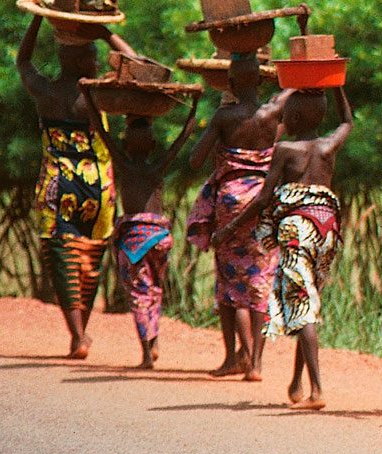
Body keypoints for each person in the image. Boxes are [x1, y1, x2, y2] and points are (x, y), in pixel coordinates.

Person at [214, 88, 354, 410]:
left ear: (297, 118)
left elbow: (263, 199)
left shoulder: (286, 150)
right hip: (325, 232)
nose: (282, 120)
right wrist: (336, 84)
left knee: (302, 309)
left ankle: (317, 391)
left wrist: (230, 228)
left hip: (296, 231)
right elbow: (347, 120)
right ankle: (297, 383)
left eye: (286, 115)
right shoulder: (328, 146)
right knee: (307, 304)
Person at [18, 14, 135, 359]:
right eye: (94, 56)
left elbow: (23, 61)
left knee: (61, 255)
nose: (98, 61)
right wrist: (106, 33)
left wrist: (37, 19)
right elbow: (139, 66)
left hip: (57, 182)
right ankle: (81, 332)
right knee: (91, 254)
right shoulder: (99, 96)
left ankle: (78, 335)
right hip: (98, 184)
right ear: (82, 60)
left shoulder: (46, 91)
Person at [187, 51, 288, 380]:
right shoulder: (275, 112)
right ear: (262, 79)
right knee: (259, 282)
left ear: (229, 82)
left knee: (230, 282)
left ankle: (233, 356)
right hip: (265, 201)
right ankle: (256, 362)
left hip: (230, 202)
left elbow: (195, 159)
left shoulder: (225, 116)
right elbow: (298, 84)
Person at [89, 96, 199, 370]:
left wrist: (91, 99)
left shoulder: (123, 165)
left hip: (134, 242)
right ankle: (155, 340)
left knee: (140, 296)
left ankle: (147, 354)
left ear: (125, 144)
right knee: (155, 291)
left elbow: (100, 131)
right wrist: (194, 107)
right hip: (160, 239)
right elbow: (183, 138)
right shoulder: (157, 167)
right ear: (153, 145)